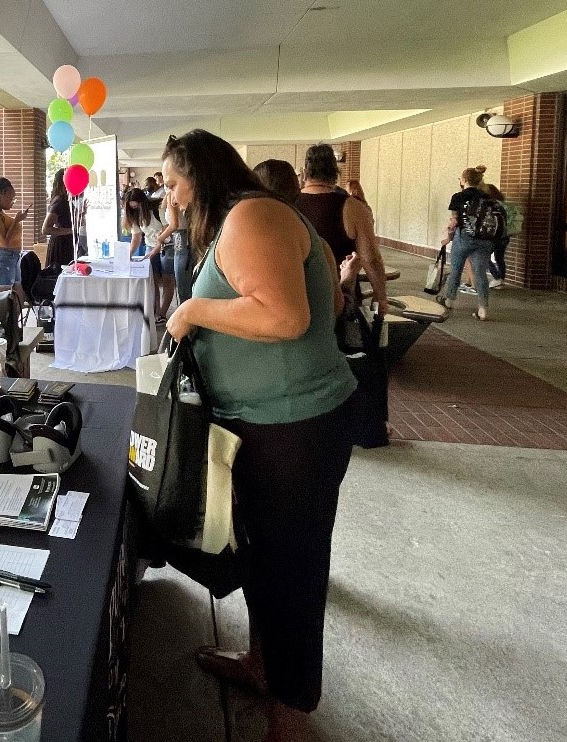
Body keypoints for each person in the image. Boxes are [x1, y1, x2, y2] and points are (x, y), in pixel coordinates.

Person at [161, 130, 356, 742]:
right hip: (262, 424)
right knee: (263, 557)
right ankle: (261, 663)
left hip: (295, 430)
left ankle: (289, 718)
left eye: (172, 182)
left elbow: (285, 315)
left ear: (202, 173)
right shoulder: (233, 223)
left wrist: (192, 312)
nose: (167, 195)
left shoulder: (252, 215)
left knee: (292, 567)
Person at [295, 144, 388, 315]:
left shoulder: (289, 204)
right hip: (340, 295)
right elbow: (370, 258)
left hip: (297, 294)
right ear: (335, 172)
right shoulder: (353, 207)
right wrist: (380, 296)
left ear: (305, 172)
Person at [252, 159, 345, 317]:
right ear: (297, 191)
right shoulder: (317, 244)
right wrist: (347, 278)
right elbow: (335, 307)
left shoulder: (249, 245)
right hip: (317, 339)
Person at [438, 165, 496, 320]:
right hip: (484, 239)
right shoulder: (487, 197)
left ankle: (449, 300)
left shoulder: (458, 197)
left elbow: (454, 222)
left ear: (464, 180)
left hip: (464, 238)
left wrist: (449, 238)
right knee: (480, 274)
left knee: (456, 269)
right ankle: (483, 309)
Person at [124, 187, 173, 321]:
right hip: (150, 245)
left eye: (137, 206)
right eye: (132, 207)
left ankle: (162, 313)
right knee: (153, 280)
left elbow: (166, 229)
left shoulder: (158, 208)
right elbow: (136, 238)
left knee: (168, 280)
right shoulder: (134, 215)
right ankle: (154, 311)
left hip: (167, 245)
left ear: (143, 203)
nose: (135, 209)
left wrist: (156, 248)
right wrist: (127, 255)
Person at [156, 190, 193, 303]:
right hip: (185, 238)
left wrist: (160, 238)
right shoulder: (181, 194)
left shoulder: (173, 195)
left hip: (181, 240)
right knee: (185, 285)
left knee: (183, 287)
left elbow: (174, 225)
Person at [41, 168, 75, 269]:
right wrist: (71, 230)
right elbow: (46, 229)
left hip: (68, 244)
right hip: (61, 246)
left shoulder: (66, 200)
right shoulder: (59, 201)